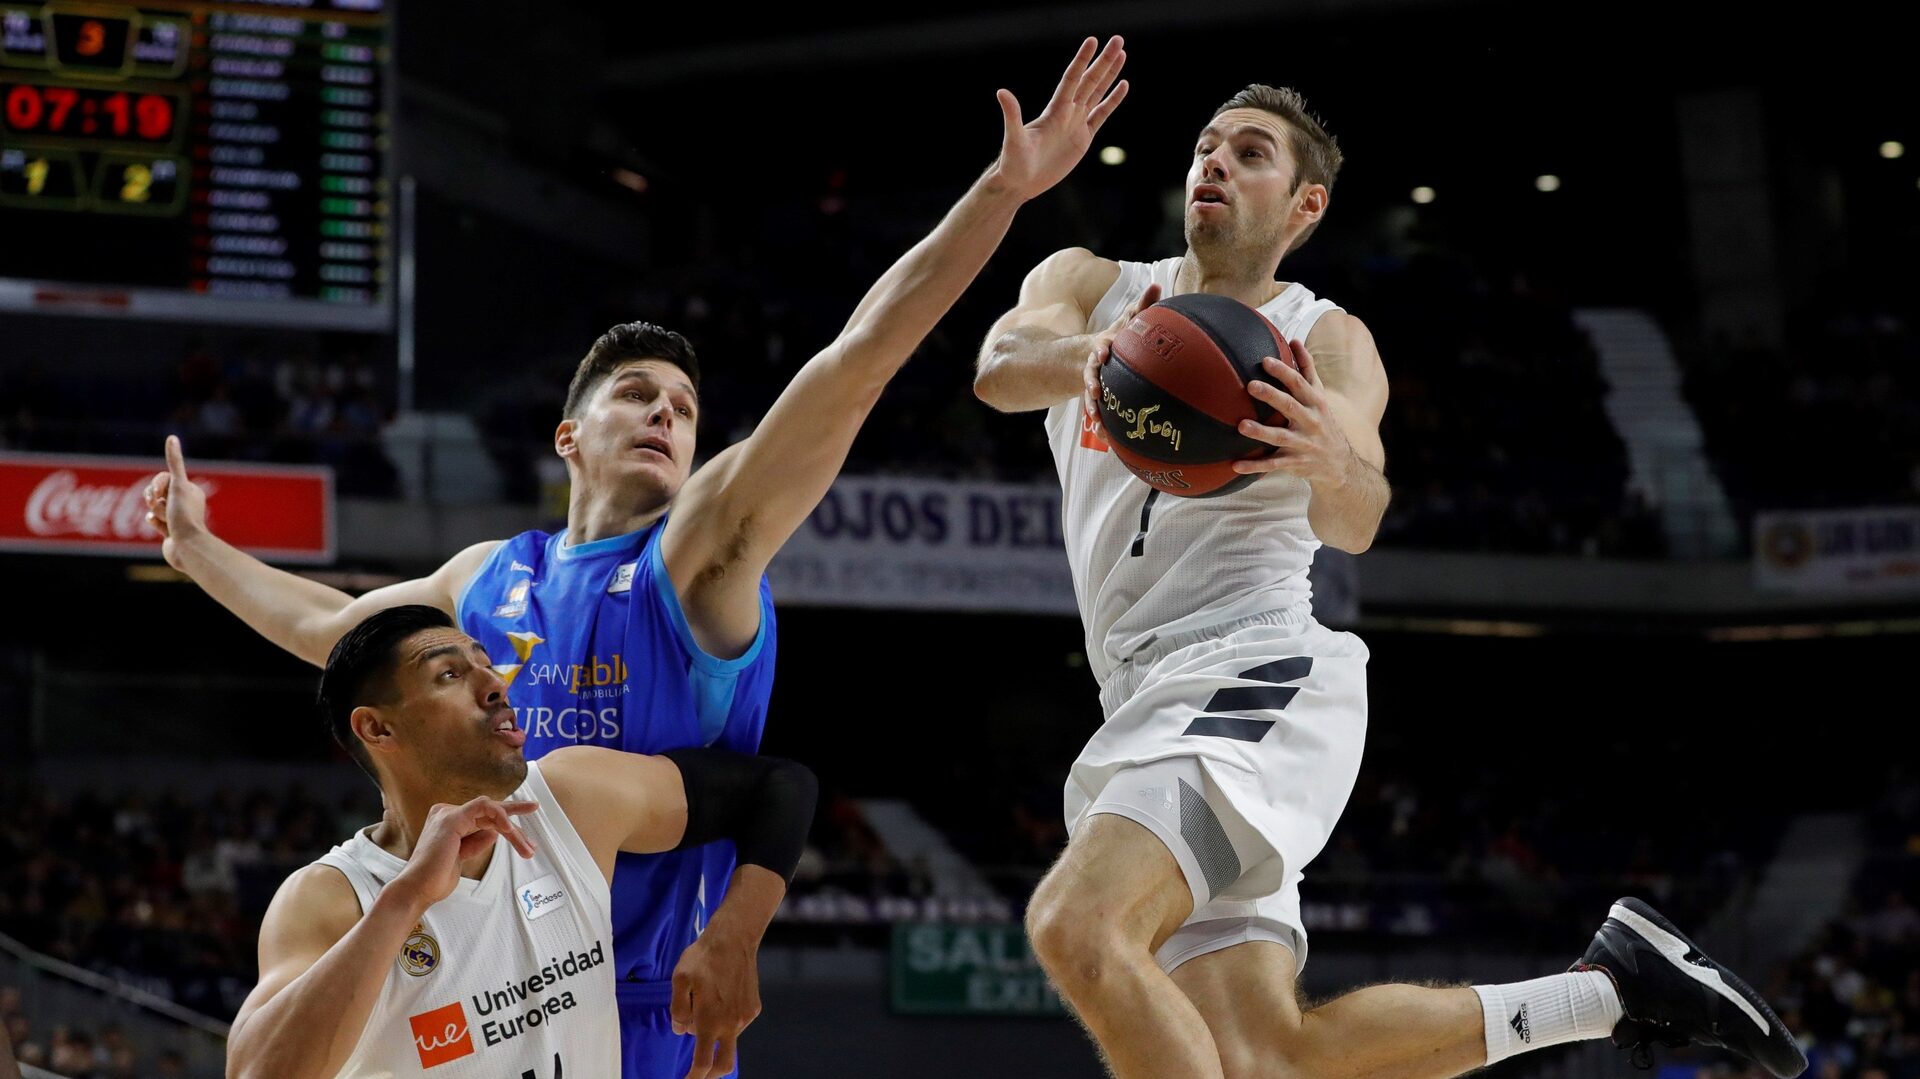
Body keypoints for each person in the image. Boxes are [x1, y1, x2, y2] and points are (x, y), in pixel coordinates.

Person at [145, 36, 1129, 1077]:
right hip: (494, 991)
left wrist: (1002, 192)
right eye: (637, 395)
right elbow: (325, 627)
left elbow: (854, 366)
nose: (666, 412)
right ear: (569, 436)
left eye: (685, 407)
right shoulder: (485, 576)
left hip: (656, 1007)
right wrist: (197, 548)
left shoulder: (696, 553)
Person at [974, 84, 1805, 1079]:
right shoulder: (1092, 283)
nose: (1215, 163)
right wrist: (1092, 356)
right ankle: (1611, 990)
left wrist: (1326, 456)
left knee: (1078, 925)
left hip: (1252, 675)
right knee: (1268, 1057)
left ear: (1305, 206)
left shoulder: (1323, 340)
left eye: (1251, 152)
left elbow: (1357, 516)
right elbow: (999, 365)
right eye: (1206, 146)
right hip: (1141, 697)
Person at [226, 605, 816, 1079]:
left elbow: (779, 788)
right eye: (450, 675)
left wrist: (735, 937)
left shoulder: (572, 798)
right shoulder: (331, 896)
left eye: (487, 665)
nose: (494, 684)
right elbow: (256, 1071)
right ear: (377, 728)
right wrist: (405, 898)